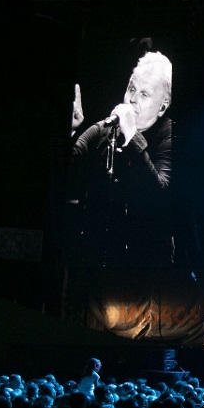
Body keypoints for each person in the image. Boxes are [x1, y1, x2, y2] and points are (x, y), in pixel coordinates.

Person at [69, 51, 175, 269]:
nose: (133, 99)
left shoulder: (170, 134)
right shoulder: (106, 127)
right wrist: (69, 130)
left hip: (146, 265)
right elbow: (67, 167)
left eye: (144, 94)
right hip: (96, 256)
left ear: (163, 106)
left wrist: (132, 135)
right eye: (131, 89)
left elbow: (160, 193)